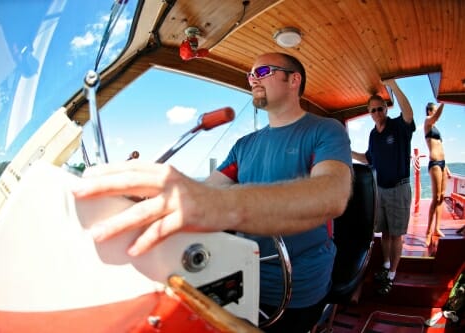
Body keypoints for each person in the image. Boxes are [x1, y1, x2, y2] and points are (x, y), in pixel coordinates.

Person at [73, 52, 353, 333]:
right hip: (237, 272)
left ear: (294, 80)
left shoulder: (325, 130)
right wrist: (146, 198)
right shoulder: (244, 145)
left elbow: (332, 194)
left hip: (295, 287)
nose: (253, 78)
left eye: (263, 71)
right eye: (250, 74)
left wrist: (222, 206)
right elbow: (206, 192)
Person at [351, 79, 416, 296]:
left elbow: (408, 113)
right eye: (373, 110)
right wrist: (348, 151)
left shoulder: (398, 127)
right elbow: (368, 159)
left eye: (380, 109)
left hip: (398, 188)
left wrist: (394, 86)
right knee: (385, 233)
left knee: (396, 235)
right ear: (369, 113)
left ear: (386, 109)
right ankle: (386, 265)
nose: (377, 113)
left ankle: (392, 275)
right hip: (380, 190)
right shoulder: (372, 134)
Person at [423, 102, 450, 246]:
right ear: (429, 111)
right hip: (434, 164)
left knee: (442, 197)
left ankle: (436, 228)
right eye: (434, 111)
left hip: (443, 163)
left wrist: (447, 168)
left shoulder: (436, 129)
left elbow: (441, 147)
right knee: (436, 197)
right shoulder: (427, 122)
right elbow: (437, 115)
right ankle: (427, 232)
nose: (436, 114)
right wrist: (443, 101)